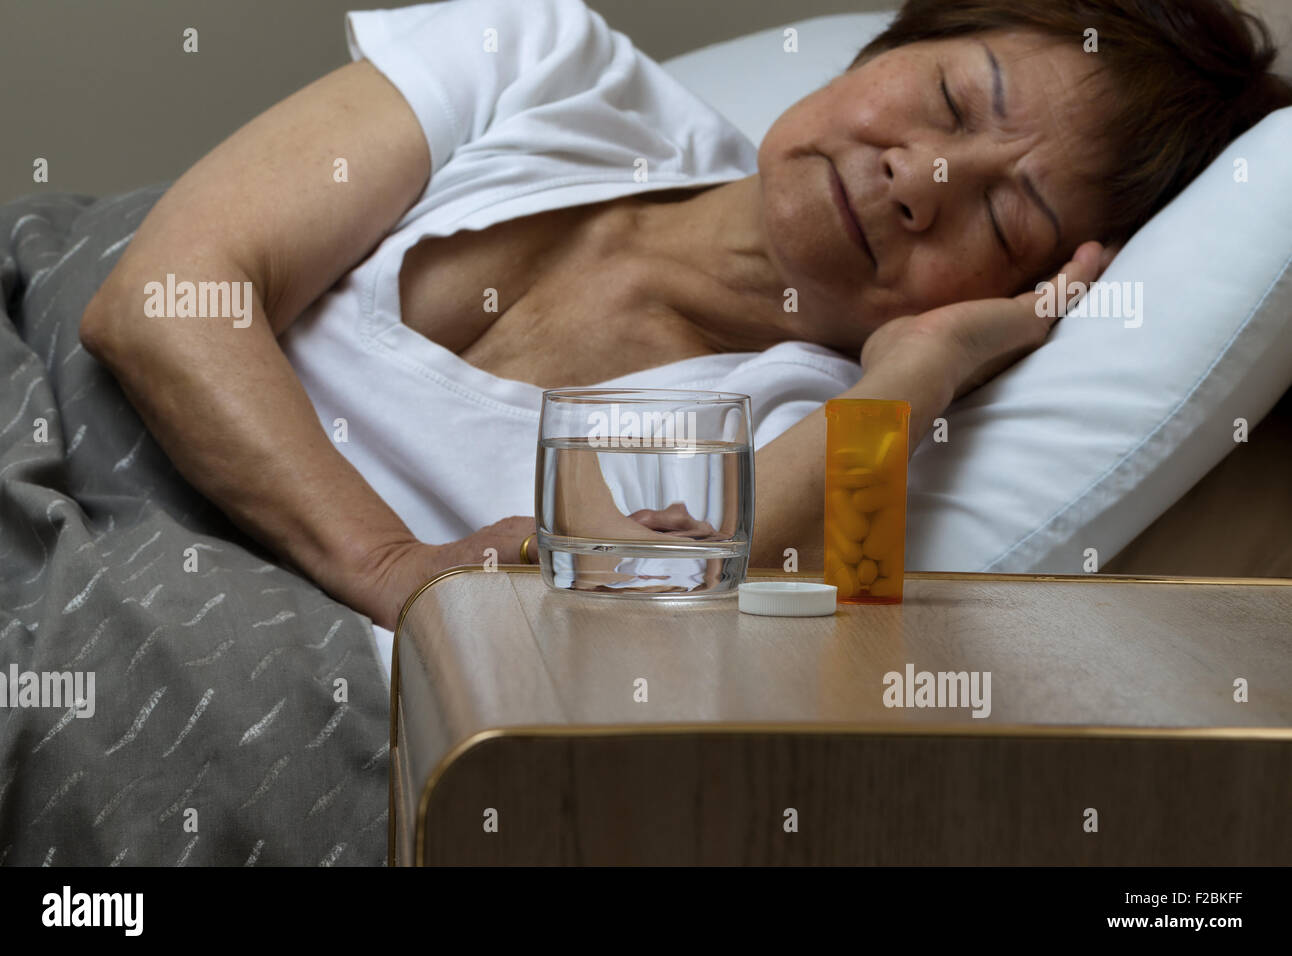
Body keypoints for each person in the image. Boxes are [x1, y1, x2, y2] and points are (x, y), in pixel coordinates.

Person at [78, 0, 1291, 631]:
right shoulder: (543, 61)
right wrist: (392, 563)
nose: (918, 181)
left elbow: (668, 620)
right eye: (946, 98)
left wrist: (916, 371)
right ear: (893, 40)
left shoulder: (802, 427)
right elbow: (158, 297)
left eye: (1006, 219)